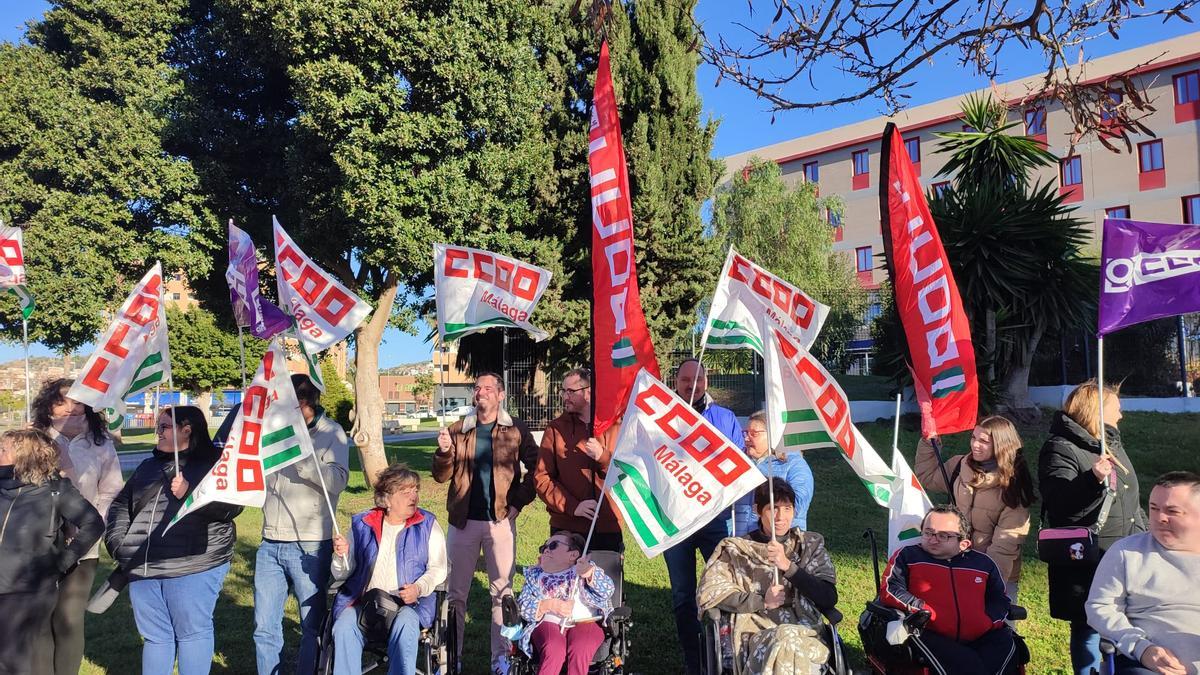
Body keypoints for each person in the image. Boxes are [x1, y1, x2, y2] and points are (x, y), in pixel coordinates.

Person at [105, 406, 243, 675]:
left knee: (192, 633)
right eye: (159, 427)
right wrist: (119, 543)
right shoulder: (148, 466)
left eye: (164, 427)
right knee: (156, 637)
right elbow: (121, 504)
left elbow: (231, 508)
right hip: (144, 565)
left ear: (186, 430)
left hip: (192, 565)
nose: (158, 433)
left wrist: (190, 493)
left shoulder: (216, 464)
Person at [433, 372, 539, 674]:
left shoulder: (515, 428)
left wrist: (518, 502)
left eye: (488, 388)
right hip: (463, 522)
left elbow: (538, 467)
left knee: (502, 594)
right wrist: (444, 452)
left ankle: (501, 660)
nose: (481, 392)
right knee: (455, 594)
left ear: (500, 395)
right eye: (477, 388)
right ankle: (449, 658)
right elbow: (441, 475)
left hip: (500, 523)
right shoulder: (458, 429)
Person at [1039, 380, 1145, 675]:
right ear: (1095, 410)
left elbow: (1131, 502)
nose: (1121, 415)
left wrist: (1149, 539)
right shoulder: (1060, 448)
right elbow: (1059, 505)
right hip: (1089, 559)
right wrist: (1092, 480)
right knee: (1089, 626)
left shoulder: (1111, 444)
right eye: (1116, 409)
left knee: (1128, 624)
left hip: (1126, 554)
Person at [254, 374, 351, 675]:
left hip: (310, 542)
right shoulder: (273, 431)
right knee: (264, 628)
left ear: (306, 404)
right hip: (270, 541)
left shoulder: (332, 433)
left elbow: (338, 480)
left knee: (311, 625)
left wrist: (302, 458)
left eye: (289, 405)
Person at [29, 379, 123, 675]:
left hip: (83, 547)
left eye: (77, 401)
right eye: (61, 402)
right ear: (48, 406)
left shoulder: (101, 443)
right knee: (40, 619)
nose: (70, 408)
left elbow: (110, 491)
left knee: (68, 618)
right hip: (36, 546)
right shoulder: (33, 440)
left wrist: (90, 525)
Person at [698, 478, 837, 674]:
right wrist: (762, 602)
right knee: (784, 643)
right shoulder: (737, 550)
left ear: (794, 510)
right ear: (757, 510)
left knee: (786, 639)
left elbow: (828, 597)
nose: (781, 517)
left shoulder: (808, 546)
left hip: (805, 632)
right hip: (753, 632)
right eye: (773, 509)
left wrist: (788, 566)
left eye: (787, 508)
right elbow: (712, 593)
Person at [661, 357, 743, 674]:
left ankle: (723, 655)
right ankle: (693, 660)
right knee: (683, 596)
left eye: (698, 378)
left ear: (706, 380)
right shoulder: (663, 417)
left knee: (722, 590)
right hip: (676, 523)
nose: (692, 384)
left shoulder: (724, 417)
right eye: (685, 379)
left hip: (714, 520)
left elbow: (738, 463)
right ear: (676, 381)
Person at [0, 429, 104, 675]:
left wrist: (62, 562)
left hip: (28, 590)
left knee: (13, 661)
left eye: (4, 450)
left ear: (25, 457)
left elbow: (93, 524)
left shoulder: (55, 489)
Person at [330, 464, 447, 675]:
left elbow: (438, 568)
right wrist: (342, 556)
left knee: (406, 624)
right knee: (344, 626)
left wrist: (419, 588)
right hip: (366, 603)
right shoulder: (362, 524)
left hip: (409, 605)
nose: (413, 497)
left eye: (416, 490)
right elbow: (342, 574)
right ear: (386, 499)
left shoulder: (427, 524)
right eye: (405, 492)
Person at [881, 504, 1018, 674]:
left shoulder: (983, 564)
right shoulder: (908, 556)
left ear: (964, 543)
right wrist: (921, 608)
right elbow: (890, 588)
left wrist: (989, 621)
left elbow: (999, 598)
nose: (933, 539)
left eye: (943, 535)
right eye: (928, 533)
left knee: (1007, 650)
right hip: (929, 631)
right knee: (969, 666)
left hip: (983, 633)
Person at [1086, 471, 1200, 675]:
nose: (1160, 518)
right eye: (1154, 508)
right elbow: (1100, 608)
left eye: (1172, 511)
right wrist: (1142, 648)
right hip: (1145, 664)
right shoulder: (1127, 552)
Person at [916, 415, 1035, 599]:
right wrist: (929, 444)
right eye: (973, 437)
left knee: (995, 625)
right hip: (954, 564)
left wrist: (986, 579)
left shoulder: (1013, 485)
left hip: (996, 576)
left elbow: (1006, 543)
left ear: (1000, 445)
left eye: (983, 441)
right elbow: (928, 477)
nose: (975, 445)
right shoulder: (959, 464)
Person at [534, 367, 623, 552]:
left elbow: (628, 473)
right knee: (564, 580)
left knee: (603, 580)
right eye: (563, 391)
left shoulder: (616, 426)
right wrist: (573, 507)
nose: (565, 396)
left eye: (571, 391)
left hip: (607, 525)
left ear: (589, 392)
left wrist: (603, 457)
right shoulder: (556, 429)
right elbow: (542, 478)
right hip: (566, 526)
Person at [514, 532, 615, 675]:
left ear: (573, 555)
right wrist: (548, 605)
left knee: (581, 647)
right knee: (553, 648)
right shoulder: (535, 575)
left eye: (553, 545)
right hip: (548, 621)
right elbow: (523, 605)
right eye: (544, 548)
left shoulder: (584, 568)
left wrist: (590, 574)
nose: (547, 549)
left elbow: (608, 590)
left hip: (586, 621)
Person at [729, 411, 814, 537]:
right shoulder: (741, 463)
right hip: (744, 542)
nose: (746, 438)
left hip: (780, 542)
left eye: (754, 434)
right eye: (746, 433)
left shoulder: (794, 464)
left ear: (773, 436)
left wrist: (763, 483)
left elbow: (799, 504)